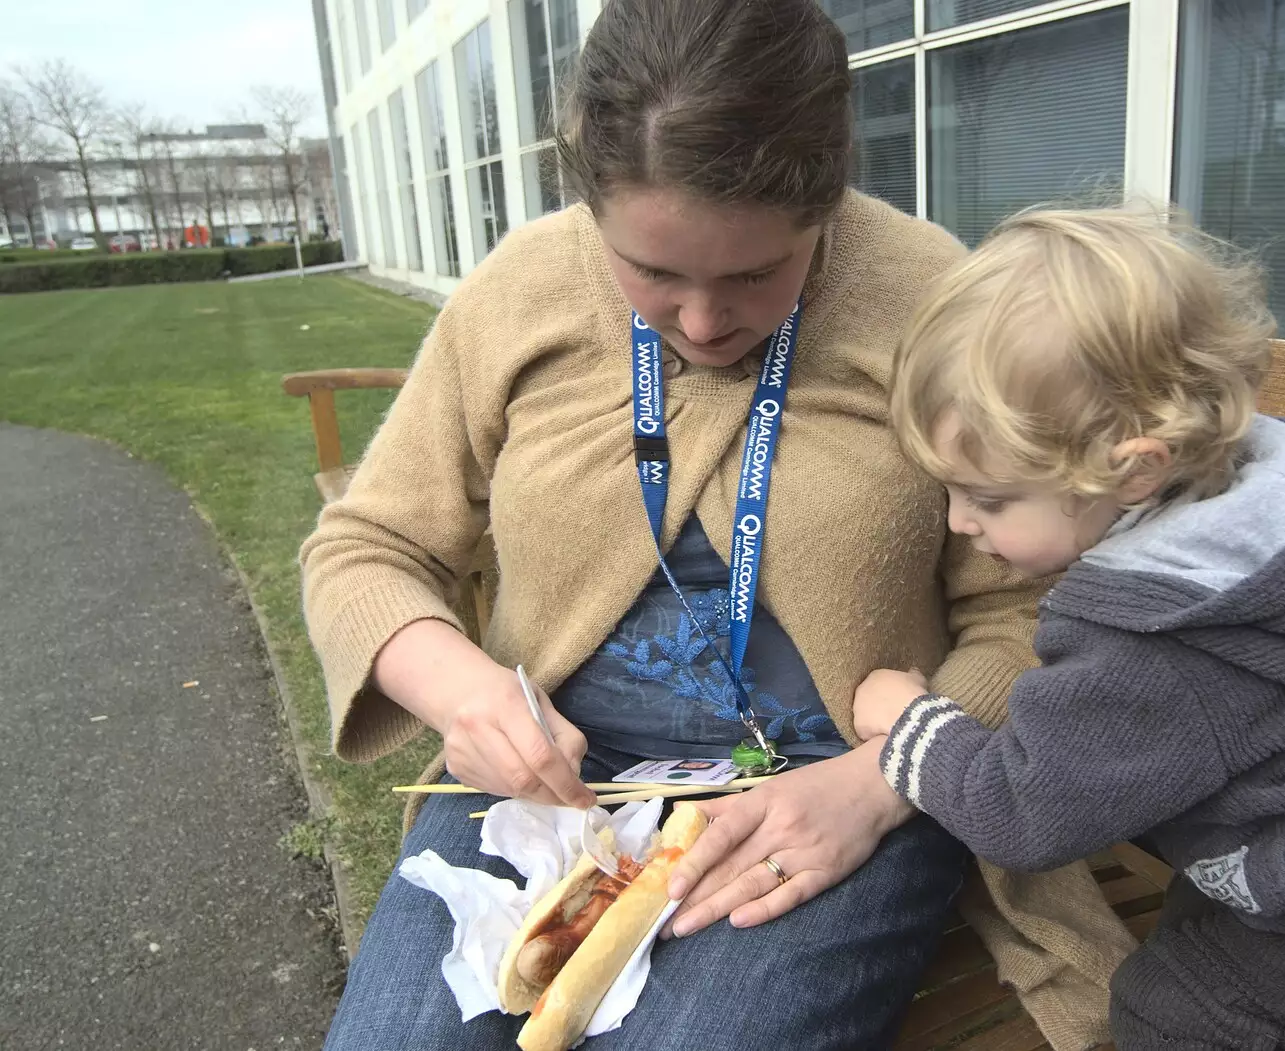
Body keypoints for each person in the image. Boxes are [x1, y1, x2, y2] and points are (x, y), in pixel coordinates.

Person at [300, 2, 1134, 1048]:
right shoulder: (520, 291)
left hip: (823, 797)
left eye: (753, 275)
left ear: (828, 200)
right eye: (650, 272)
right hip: (549, 796)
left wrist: (879, 785)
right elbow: (364, 548)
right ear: (591, 205)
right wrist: (458, 690)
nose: (701, 323)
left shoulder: (932, 298)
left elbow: (1032, 614)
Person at [853, 206, 1285, 1049]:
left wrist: (912, 727)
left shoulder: (1162, 647)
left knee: (1170, 1011)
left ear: (1132, 470)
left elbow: (1025, 809)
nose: (960, 522)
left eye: (990, 497)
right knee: (1203, 937)